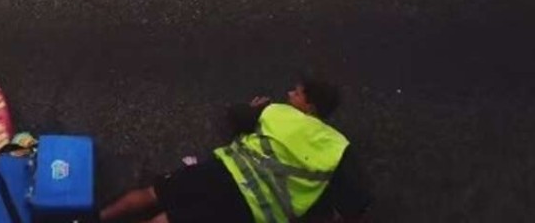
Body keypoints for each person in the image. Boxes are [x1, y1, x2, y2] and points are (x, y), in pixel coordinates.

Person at [100, 76, 370, 223]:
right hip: (252, 210)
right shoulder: (338, 146)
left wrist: (254, 108)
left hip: (223, 171)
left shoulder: (278, 112)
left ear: (310, 107)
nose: (290, 94)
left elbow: (236, 116)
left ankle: (96, 217)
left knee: (153, 193)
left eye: (297, 93)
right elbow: (355, 203)